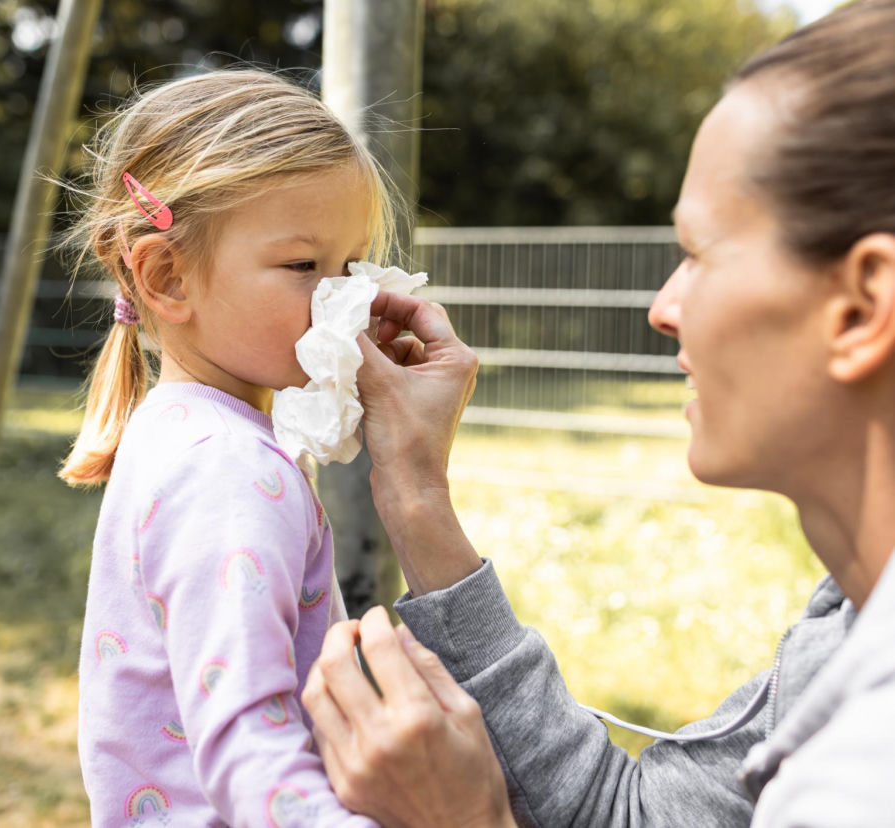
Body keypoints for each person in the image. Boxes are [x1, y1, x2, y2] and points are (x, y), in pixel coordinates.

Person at [301, 1, 895, 825]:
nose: (663, 305)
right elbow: (633, 814)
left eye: (697, 255)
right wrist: (412, 487)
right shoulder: (853, 626)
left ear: (862, 308)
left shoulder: (865, 776)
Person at [59, 68, 397, 826]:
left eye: (351, 266)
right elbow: (250, 742)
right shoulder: (229, 465)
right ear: (167, 276)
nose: (345, 296)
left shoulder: (182, 430)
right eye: (304, 266)